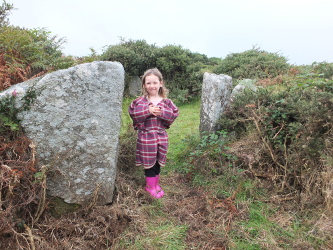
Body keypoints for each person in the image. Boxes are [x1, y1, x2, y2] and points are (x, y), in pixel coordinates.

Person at [128, 68, 179, 198]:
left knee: (157, 162)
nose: (152, 86)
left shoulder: (167, 102)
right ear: (144, 85)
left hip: (161, 137)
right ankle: (150, 187)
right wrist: (147, 110)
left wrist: (162, 112)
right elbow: (134, 114)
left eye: (155, 82)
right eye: (148, 83)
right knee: (149, 163)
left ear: (160, 83)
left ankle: (156, 185)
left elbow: (174, 115)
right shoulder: (140, 102)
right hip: (146, 138)